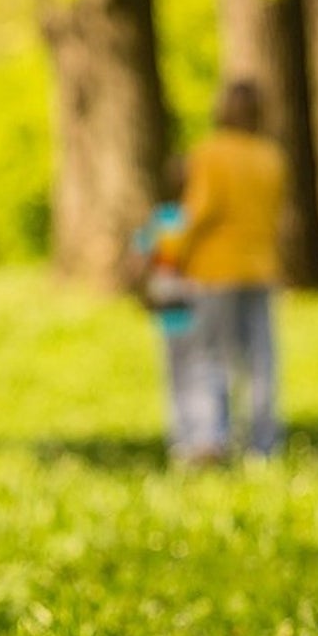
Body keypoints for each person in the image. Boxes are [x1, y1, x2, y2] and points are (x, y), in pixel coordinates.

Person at [173, 80, 287, 462]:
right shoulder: (270, 155)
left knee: (211, 356)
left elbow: (201, 210)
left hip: (215, 269)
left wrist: (174, 254)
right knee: (260, 361)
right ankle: (263, 444)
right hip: (261, 266)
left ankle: (211, 438)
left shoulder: (210, 153)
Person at [131, 155, 213, 463]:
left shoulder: (159, 220)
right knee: (204, 369)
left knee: (176, 373)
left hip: (167, 302)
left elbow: (138, 258)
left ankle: (182, 440)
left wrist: (141, 289)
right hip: (199, 301)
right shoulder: (198, 220)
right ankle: (206, 438)